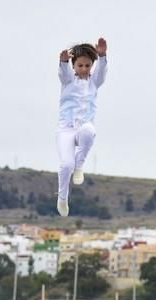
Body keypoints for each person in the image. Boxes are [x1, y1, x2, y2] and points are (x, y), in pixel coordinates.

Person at [55, 37, 108, 217]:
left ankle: (80, 166)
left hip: (82, 128)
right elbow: (63, 74)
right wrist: (63, 61)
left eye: (87, 66)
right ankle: (62, 198)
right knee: (65, 165)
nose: (84, 69)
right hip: (66, 129)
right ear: (74, 65)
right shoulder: (69, 80)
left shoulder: (94, 82)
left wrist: (102, 56)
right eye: (80, 66)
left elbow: (101, 73)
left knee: (89, 131)